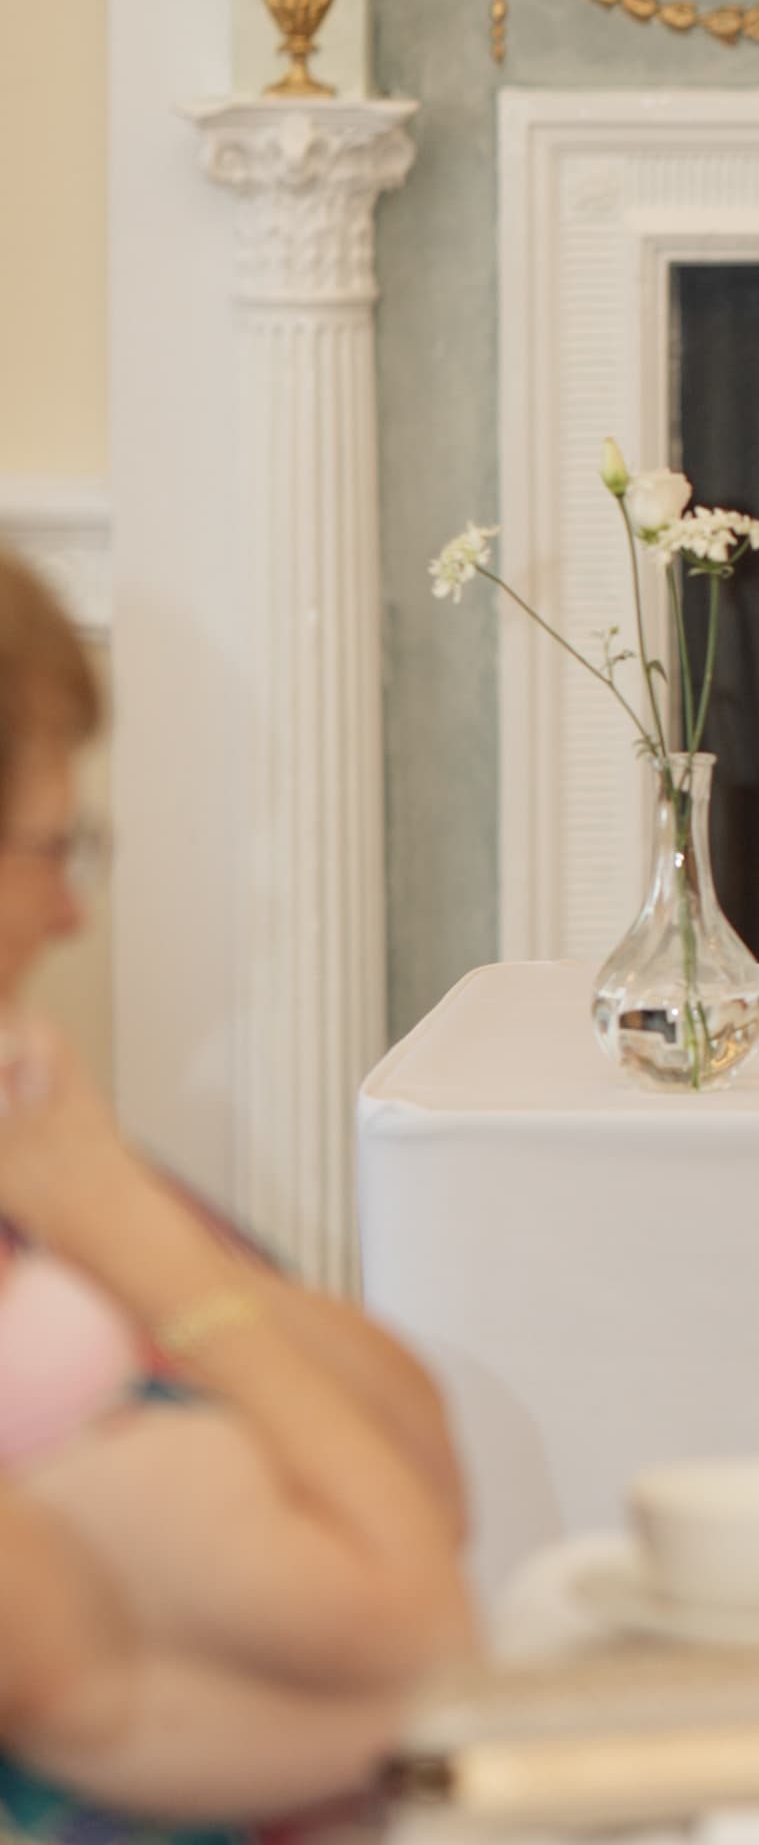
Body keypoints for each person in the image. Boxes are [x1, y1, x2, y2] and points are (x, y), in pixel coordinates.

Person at [0, 557, 474, 1820]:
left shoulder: (44, 1143)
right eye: (53, 846)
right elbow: (414, 1632)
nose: (70, 912)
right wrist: (140, 1251)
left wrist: (137, 1236)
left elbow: (419, 1446)